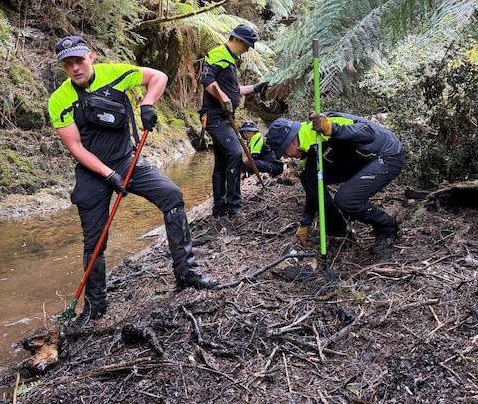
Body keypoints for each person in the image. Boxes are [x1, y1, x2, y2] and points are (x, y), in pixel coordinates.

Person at [48, 36, 218, 323]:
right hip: (93, 171)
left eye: (79, 60)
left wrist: (148, 104)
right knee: (95, 241)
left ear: (90, 57)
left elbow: (158, 76)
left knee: (172, 196)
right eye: (68, 64)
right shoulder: (59, 100)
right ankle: (95, 306)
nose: (75, 67)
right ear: (64, 66)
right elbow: (75, 148)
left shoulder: (115, 73)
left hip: (129, 160)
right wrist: (108, 174)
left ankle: (186, 272)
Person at [266, 111, 406, 252]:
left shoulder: (323, 124)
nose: (284, 156)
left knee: (346, 200)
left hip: (386, 154)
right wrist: (305, 223)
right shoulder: (307, 154)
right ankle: (339, 231)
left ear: (293, 140)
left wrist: (332, 128)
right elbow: (314, 192)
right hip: (358, 163)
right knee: (309, 177)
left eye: (283, 150)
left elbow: (367, 133)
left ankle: (388, 228)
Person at [199, 24, 269, 217]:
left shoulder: (229, 60)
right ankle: (234, 206)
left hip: (224, 117)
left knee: (222, 161)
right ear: (236, 39)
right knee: (235, 153)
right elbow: (207, 81)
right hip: (215, 117)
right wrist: (224, 98)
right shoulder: (218, 53)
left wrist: (256, 87)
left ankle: (220, 208)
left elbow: (234, 90)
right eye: (247, 44)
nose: (247, 49)